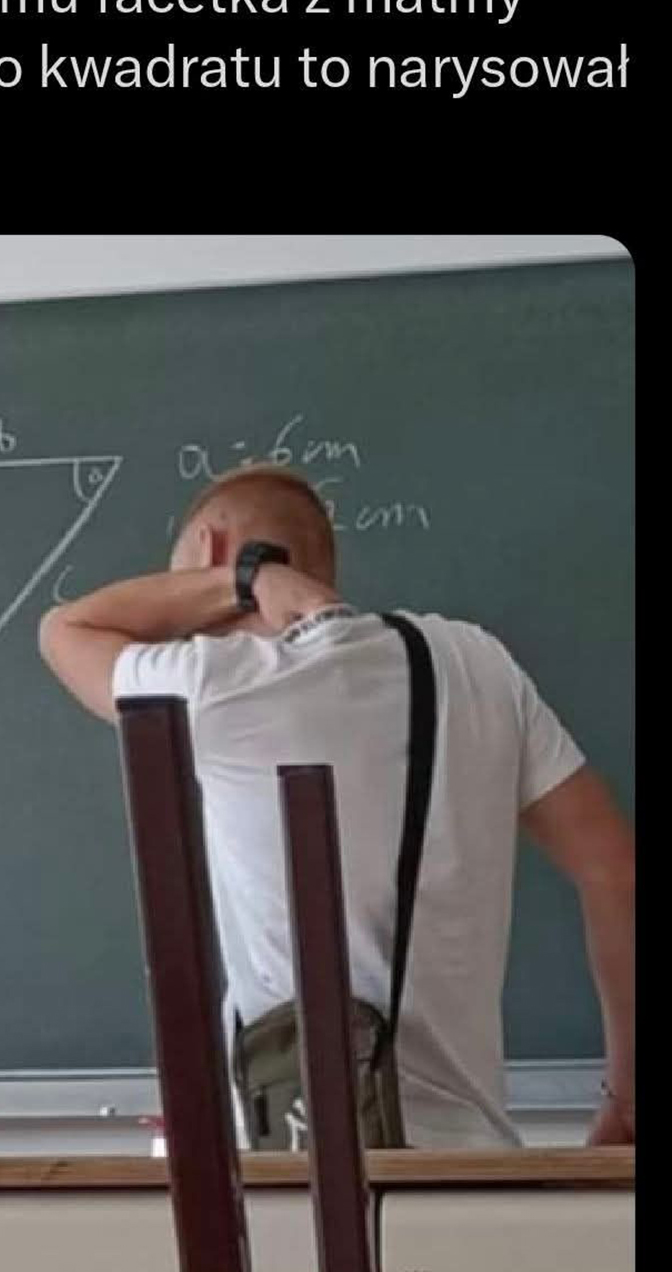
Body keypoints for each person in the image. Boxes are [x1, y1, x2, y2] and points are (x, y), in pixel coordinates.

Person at [38, 463, 634, 1149]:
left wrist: (243, 581)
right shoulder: (477, 665)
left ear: (210, 549)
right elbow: (616, 871)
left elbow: (66, 629)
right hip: (468, 1160)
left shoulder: (214, 684)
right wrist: (627, 1098)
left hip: (291, 1163)